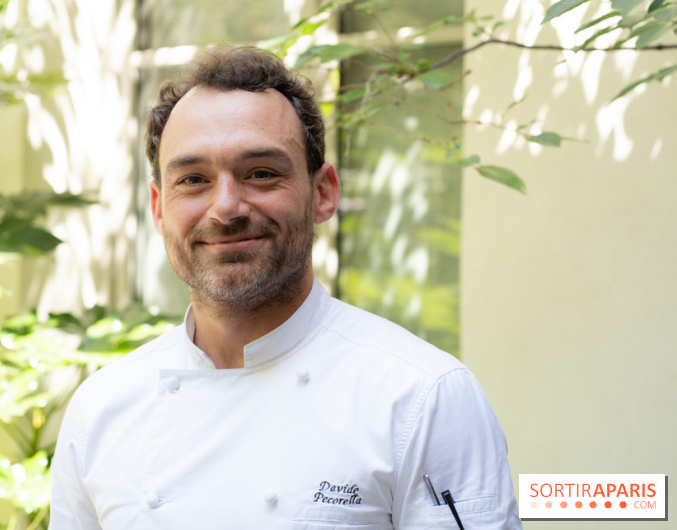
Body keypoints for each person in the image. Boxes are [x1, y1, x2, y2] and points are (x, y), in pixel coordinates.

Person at [49, 45, 521, 529]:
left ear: (323, 193)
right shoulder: (100, 409)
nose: (226, 208)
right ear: (158, 207)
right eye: (193, 179)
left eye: (261, 174)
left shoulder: (423, 397)